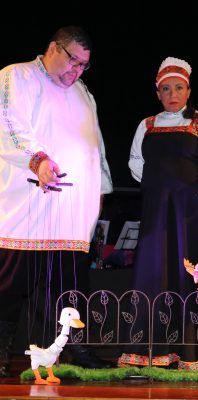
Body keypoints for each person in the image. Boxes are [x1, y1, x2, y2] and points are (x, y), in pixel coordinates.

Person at [0, 26, 113, 376]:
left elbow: (95, 144)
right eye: (72, 60)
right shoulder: (17, 76)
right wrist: (38, 160)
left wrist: (99, 189)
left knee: (70, 285)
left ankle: (77, 350)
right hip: (26, 203)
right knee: (10, 283)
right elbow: (8, 125)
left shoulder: (82, 93)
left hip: (70, 212)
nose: (76, 70)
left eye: (83, 65)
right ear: (53, 48)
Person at [128, 57, 198, 358]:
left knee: (192, 272)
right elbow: (136, 163)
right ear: (158, 93)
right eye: (166, 88)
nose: (172, 94)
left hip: (189, 212)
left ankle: (195, 352)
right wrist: (159, 186)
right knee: (155, 271)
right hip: (156, 212)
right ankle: (152, 350)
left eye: (178, 88)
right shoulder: (147, 125)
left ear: (188, 91)